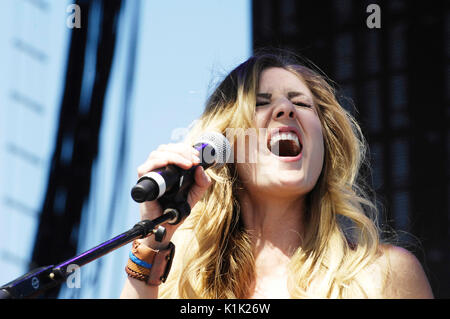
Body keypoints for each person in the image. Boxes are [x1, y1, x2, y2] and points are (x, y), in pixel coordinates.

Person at [120, 50, 434, 299]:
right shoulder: (177, 284)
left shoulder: (384, 275)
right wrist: (152, 240)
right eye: (260, 103)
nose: (286, 109)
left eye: (301, 103)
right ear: (225, 147)